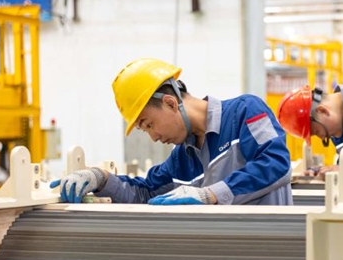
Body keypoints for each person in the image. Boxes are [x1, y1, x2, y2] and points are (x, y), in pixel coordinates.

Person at [51, 58, 293, 205]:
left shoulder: (246, 112)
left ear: (169, 102)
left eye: (148, 124)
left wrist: (212, 194)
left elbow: (276, 162)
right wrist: (100, 178)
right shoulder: (183, 157)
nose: (153, 137)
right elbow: (144, 192)